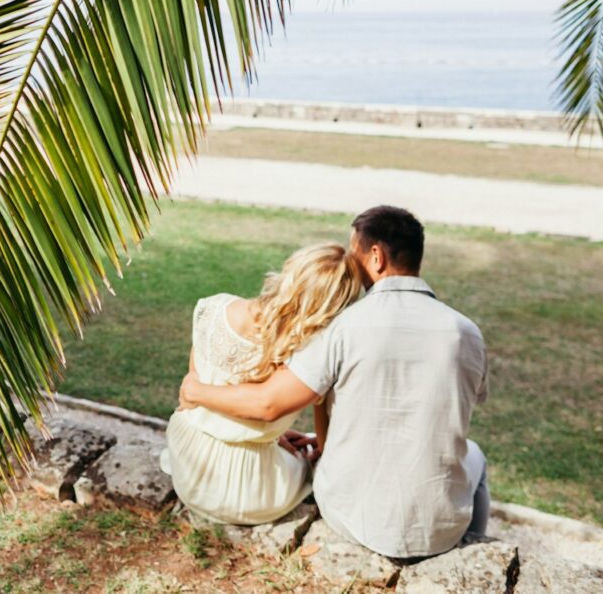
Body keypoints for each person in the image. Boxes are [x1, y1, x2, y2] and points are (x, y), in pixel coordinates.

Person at [177, 206, 489, 558]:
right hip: (438, 532)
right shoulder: (467, 332)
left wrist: (196, 390)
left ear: (376, 256)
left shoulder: (343, 328)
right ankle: (473, 545)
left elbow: (269, 403)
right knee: (474, 454)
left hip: (351, 516)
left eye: (353, 249)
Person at [161, 243, 365, 525]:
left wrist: (272, 435)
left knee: (292, 446)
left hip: (186, 460)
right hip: (241, 489)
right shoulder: (305, 354)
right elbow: (265, 407)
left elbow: (196, 397)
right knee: (308, 465)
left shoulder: (214, 307)